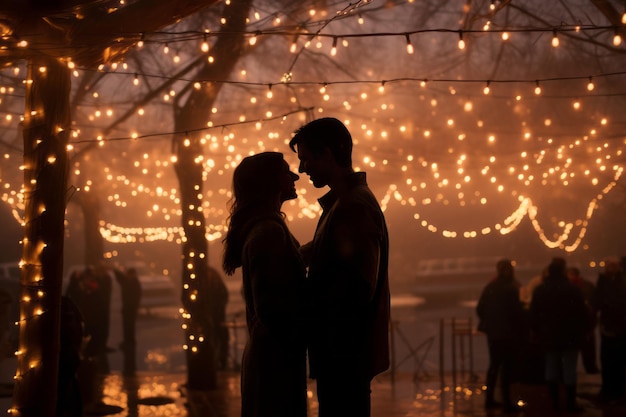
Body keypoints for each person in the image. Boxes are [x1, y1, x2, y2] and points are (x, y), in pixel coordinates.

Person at [289, 117, 390, 417]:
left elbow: (356, 287)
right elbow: (327, 254)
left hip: (343, 354)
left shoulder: (352, 207)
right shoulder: (346, 204)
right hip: (344, 353)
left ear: (329, 155)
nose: (302, 169)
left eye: (306, 159)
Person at [222, 152, 307, 417]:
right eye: (285, 171)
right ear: (268, 182)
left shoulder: (266, 229)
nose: (294, 177)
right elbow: (272, 309)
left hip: (271, 358)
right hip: (274, 364)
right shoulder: (269, 232)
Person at [530, 257, 588, 413]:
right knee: (569, 369)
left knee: (551, 368)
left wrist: (537, 332)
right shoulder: (572, 289)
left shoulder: (540, 290)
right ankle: (570, 403)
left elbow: (534, 314)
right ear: (563, 271)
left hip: (549, 335)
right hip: (569, 335)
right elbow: (581, 313)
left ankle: (554, 401)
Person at [476, 259, 525, 412]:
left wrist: (490, 322)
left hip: (493, 333)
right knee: (506, 368)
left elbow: (480, 308)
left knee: (494, 366)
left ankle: (489, 399)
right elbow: (517, 312)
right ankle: (506, 402)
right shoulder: (511, 288)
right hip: (508, 333)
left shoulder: (490, 287)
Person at [593, 256, 626, 403]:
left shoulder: (604, 282)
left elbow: (596, 303)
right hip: (612, 326)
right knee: (611, 360)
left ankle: (613, 389)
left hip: (614, 326)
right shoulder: (614, 282)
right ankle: (612, 389)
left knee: (613, 360)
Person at [567, 266, 599, 374]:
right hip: (581, 325)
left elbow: (594, 305)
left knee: (585, 354)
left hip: (581, 325)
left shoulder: (566, 287)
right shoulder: (587, 285)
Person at [113, 267, 142, 375]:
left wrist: (114, 269)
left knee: (128, 326)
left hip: (129, 308)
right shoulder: (134, 282)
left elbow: (121, 279)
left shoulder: (130, 282)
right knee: (129, 326)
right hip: (131, 308)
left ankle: (128, 341)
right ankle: (129, 341)